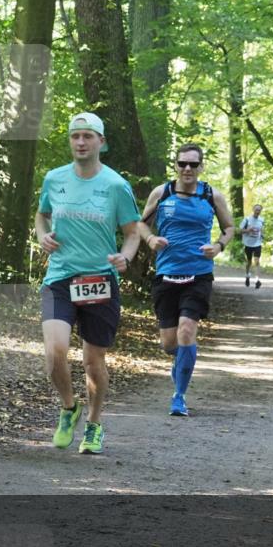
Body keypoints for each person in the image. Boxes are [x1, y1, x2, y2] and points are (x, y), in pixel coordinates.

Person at [35, 112, 141, 454]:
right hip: (60, 277)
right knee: (55, 353)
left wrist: (125, 256)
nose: (80, 142)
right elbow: (42, 214)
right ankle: (69, 408)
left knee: (94, 361)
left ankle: (94, 424)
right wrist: (42, 237)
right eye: (75, 136)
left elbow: (131, 233)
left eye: (88, 136)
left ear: (101, 142)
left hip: (99, 280)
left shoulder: (115, 185)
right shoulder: (54, 179)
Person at [135, 143, 235, 417]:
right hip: (166, 274)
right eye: (182, 164)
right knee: (169, 343)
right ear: (176, 166)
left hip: (198, 274)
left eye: (193, 164)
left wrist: (218, 246)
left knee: (187, 331)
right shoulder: (162, 192)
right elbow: (141, 223)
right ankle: (181, 360)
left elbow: (229, 228)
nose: (187, 169)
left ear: (201, 167)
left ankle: (179, 396)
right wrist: (151, 238)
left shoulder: (212, 196)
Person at [239, 204, 265, 288]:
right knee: (249, 262)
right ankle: (247, 276)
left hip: (257, 243)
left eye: (259, 210)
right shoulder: (247, 219)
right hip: (248, 244)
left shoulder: (262, 220)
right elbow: (240, 231)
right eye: (256, 210)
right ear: (253, 210)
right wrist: (248, 230)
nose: (258, 211)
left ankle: (257, 280)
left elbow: (262, 230)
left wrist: (263, 236)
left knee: (257, 261)